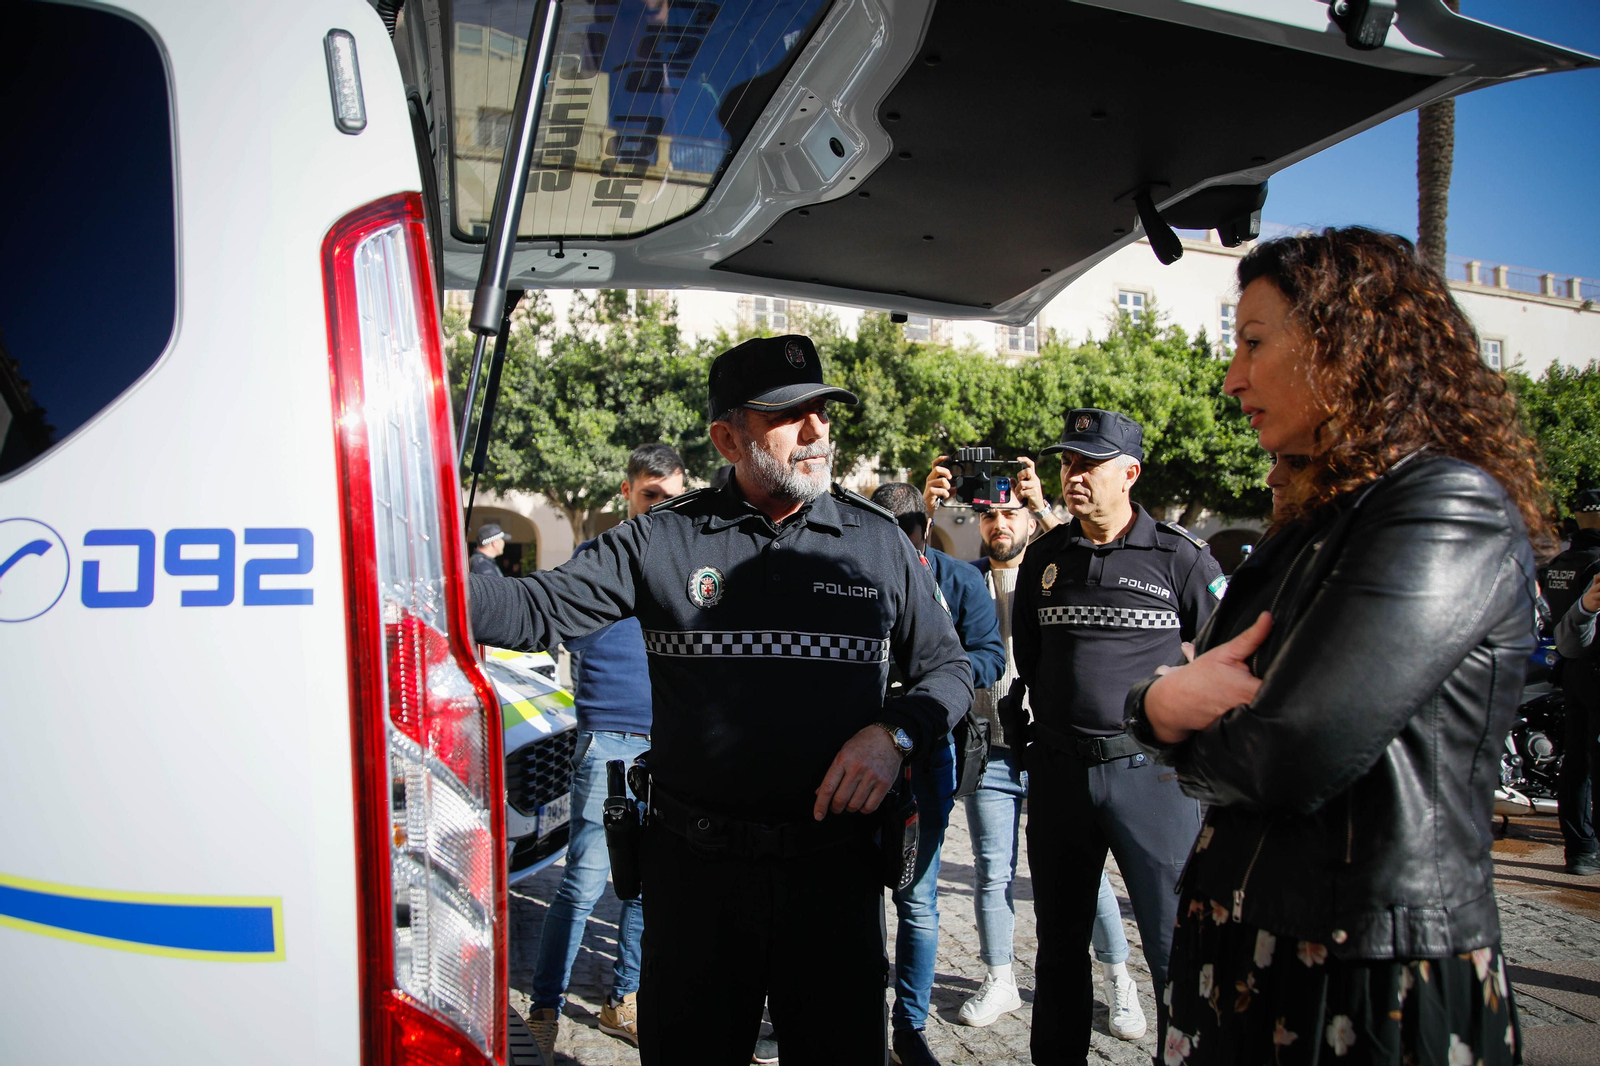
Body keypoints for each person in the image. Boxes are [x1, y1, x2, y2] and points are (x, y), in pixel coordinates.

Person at [465, 334, 974, 1066]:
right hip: (695, 879)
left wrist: (894, 735)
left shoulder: (878, 542)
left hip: (833, 878)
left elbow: (950, 671)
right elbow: (527, 609)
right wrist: (421, 559)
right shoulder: (659, 541)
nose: (816, 433)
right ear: (727, 438)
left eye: (823, 414)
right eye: (788, 416)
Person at [1125, 227, 1545, 1065]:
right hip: (1254, 951)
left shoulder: (1446, 506)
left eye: (1252, 343)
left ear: (1346, 341)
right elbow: (1192, 683)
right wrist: (1159, 704)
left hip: (1366, 968)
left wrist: (1174, 714)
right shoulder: (1316, 521)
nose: (1230, 376)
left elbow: (1292, 748)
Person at [1006, 407, 1223, 1064]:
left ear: (1128, 473)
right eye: (1068, 462)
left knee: (1171, 948)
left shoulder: (1179, 556)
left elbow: (1222, 654)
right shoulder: (1045, 555)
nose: (1073, 476)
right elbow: (1037, 663)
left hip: (1151, 778)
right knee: (1060, 946)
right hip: (1062, 776)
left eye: (1089, 464)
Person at [923, 460, 1149, 1040]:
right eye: (990, 514)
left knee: (1088, 873)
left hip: (1054, 744)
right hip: (991, 746)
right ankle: (1000, 978)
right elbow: (915, 572)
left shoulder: (1059, 568)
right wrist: (924, 515)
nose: (999, 523)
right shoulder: (967, 577)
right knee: (992, 870)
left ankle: (1120, 979)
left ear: (1029, 517)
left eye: (1010, 512)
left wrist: (1047, 504)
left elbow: (1089, 545)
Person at [525, 444, 687, 1062]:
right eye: (650, 495)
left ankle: (625, 1000)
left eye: (673, 496)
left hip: (670, 744)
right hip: (612, 739)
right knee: (585, 882)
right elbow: (573, 630)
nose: (662, 507)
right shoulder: (596, 558)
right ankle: (546, 1007)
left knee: (644, 887)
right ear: (627, 492)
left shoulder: (685, 562)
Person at [869, 482, 1006, 1066]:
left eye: (902, 541)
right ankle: (848, 1017)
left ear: (921, 533)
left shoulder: (961, 579)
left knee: (918, 901)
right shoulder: (857, 573)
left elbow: (991, 657)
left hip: (929, 755)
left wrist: (938, 669)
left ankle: (910, 1026)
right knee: (844, 897)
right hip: (857, 749)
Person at [1545, 487, 1600, 875]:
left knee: (1577, 761)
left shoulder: (1559, 562)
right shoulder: (1595, 563)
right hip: (1591, 664)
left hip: (1572, 669)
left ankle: (1579, 848)